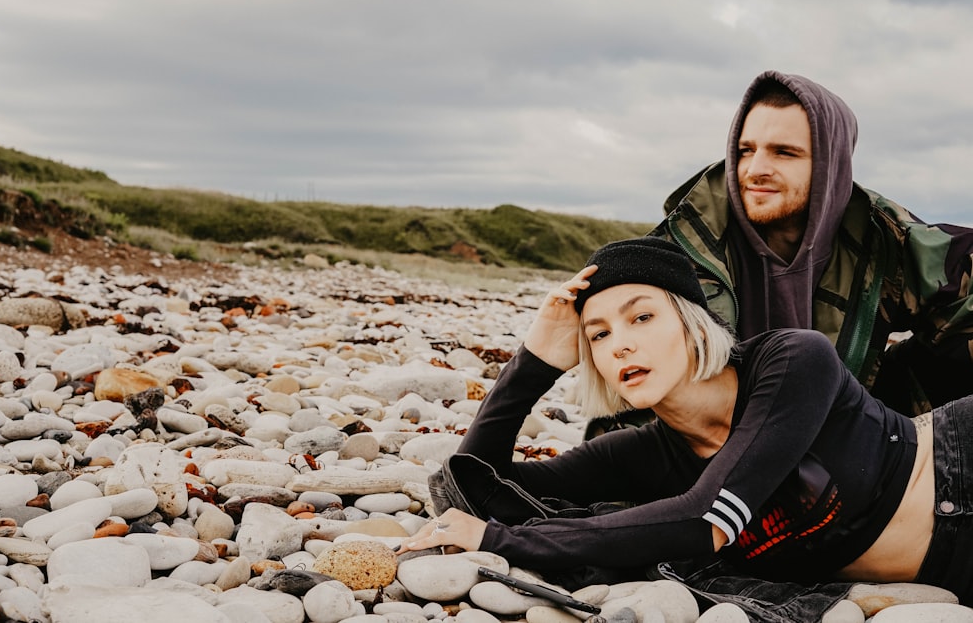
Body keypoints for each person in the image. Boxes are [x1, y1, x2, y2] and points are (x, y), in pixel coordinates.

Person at [397, 237, 973, 620]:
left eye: (642, 317)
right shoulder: (643, 456)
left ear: (692, 323)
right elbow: (477, 490)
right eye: (597, 334)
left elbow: (707, 520)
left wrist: (501, 542)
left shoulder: (794, 361)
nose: (620, 342)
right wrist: (532, 365)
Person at [644, 70, 973, 418]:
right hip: (710, 443)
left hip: (837, 439)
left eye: (784, 153)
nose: (755, 169)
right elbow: (632, 380)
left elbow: (958, 270)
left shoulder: (879, 237)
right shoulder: (683, 247)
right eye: (745, 150)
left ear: (830, 165)